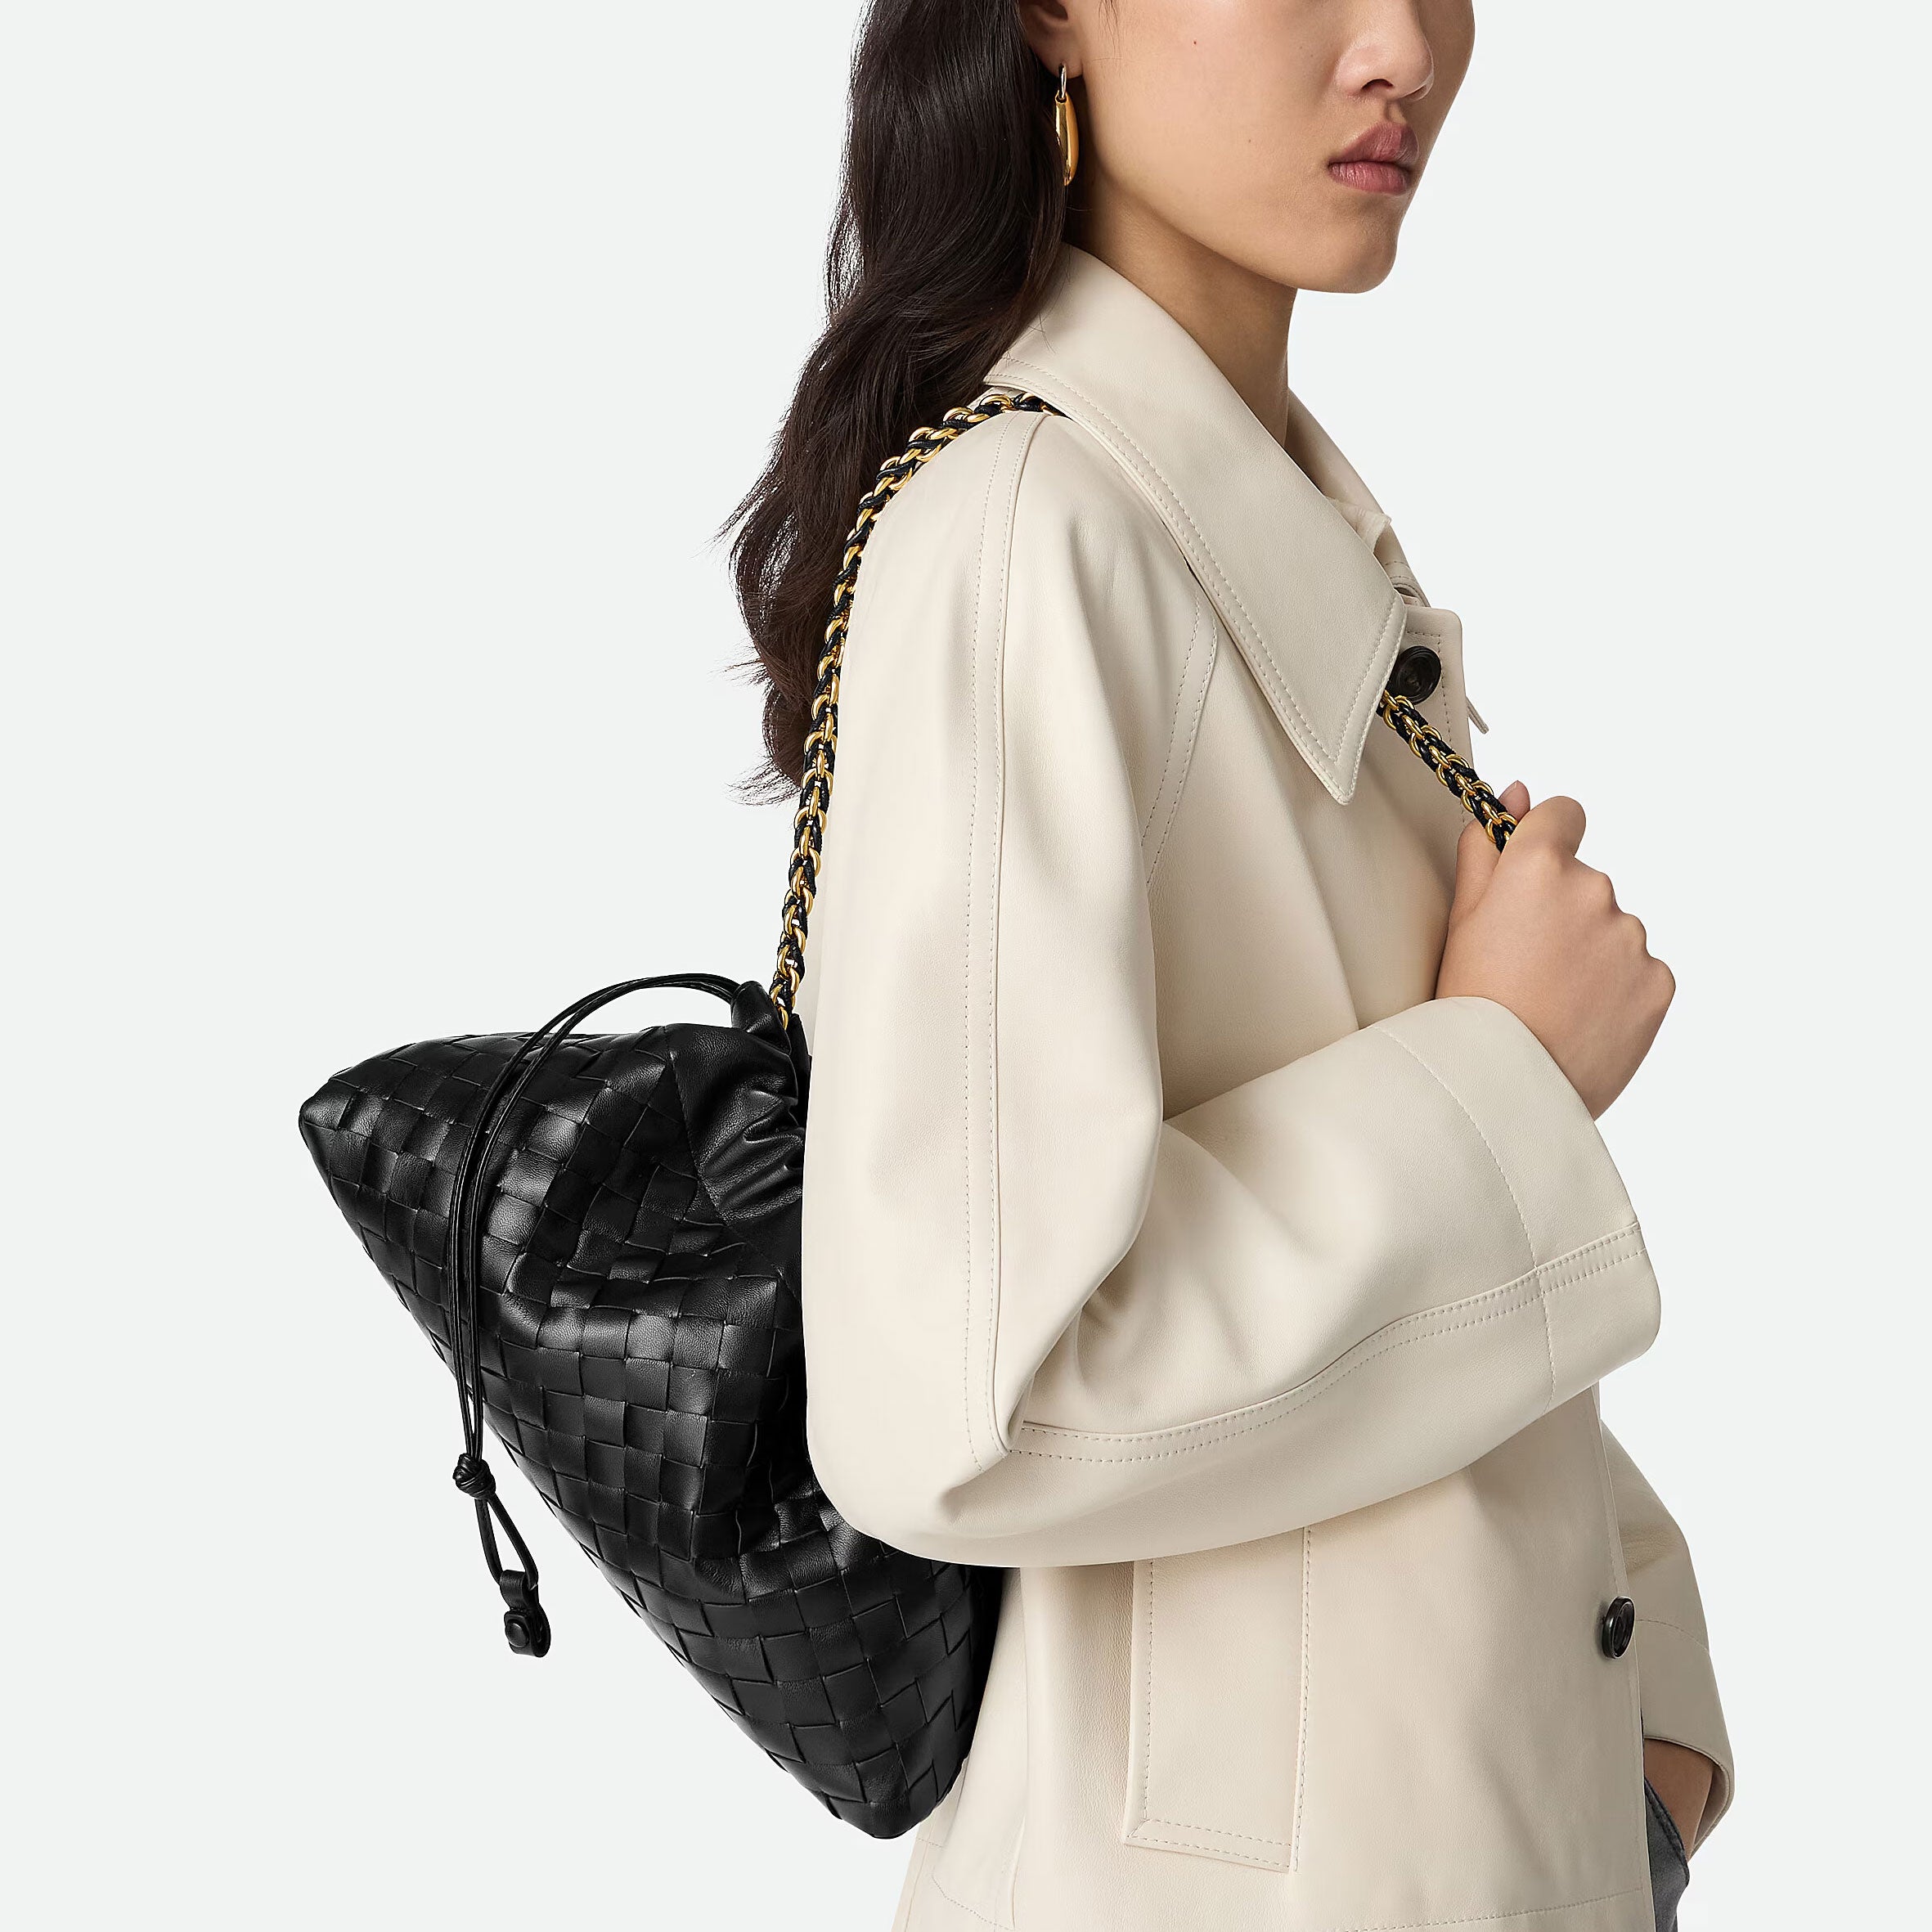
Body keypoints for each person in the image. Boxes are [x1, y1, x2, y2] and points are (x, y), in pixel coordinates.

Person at [730, 4, 1732, 1929]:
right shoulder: (1026, 538)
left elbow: (1401, 1336)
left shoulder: (1250, 520)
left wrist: (1643, 1724)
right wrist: (1502, 1071)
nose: (1401, 48)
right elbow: (962, 1404)